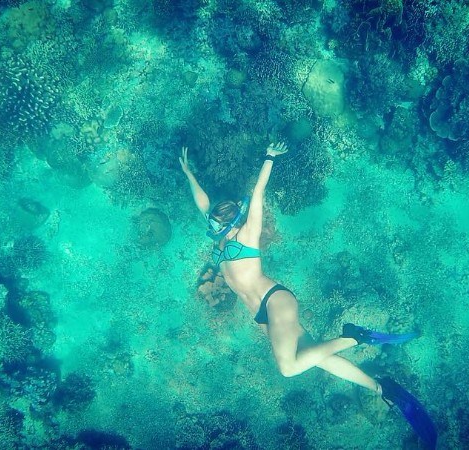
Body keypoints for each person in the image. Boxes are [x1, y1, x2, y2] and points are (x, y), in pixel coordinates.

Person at [179, 143, 436, 448]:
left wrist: (269, 158)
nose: (209, 223)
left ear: (228, 221)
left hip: (276, 302)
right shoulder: (220, 241)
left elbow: (258, 193)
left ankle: (354, 337)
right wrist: (188, 173)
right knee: (313, 356)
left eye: (215, 221)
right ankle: (381, 388)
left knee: (289, 368)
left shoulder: (246, 235)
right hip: (262, 313)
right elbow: (203, 203)